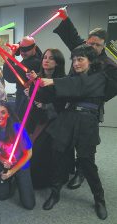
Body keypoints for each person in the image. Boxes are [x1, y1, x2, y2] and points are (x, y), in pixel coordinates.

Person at [36, 44, 108, 220]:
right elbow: (60, 95)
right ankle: (55, 192)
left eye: (80, 59)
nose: (76, 63)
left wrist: (54, 81)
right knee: (57, 156)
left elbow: (80, 86)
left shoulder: (98, 77)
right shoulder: (70, 78)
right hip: (68, 119)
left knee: (87, 162)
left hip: (87, 122)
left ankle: (99, 199)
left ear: (91, 61)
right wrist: (39, 83)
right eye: (74, 60)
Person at [54, 7, 117, 189]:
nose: (92, 47)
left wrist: (91, 94)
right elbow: (72, 36)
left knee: (86, 145)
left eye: (97, 44)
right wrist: (65, 18)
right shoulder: (82, 51)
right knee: (68, 138)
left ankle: (82, 172)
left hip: (91, 108)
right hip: (70, 106)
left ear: (104, 45)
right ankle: (71, 167)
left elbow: (108, 91)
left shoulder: (109, 65)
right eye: (90, 43)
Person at [25, 49, 66, 189]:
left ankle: (43, 182)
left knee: (42, 151)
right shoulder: (38, 78)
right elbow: (33, 97)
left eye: (51, 58)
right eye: (45, 57)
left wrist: (45, 106)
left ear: (58, 63)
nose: (46, 60)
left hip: (52, 123)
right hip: (34, 119)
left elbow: (61, 104)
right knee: (28, 148)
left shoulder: (61, 81)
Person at [0, 100, 35, 209]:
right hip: (3, 162)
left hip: (20, 163)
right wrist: (2, 161)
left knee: (29, 205)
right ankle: (11, 179)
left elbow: (28, 153)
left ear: (8, 114)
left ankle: (15, 178)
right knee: (2, 196)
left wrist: (12, 172)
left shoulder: (18, 129)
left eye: (3, 112)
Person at [3, 36, 42, 121]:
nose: (23, 53)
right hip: (29, 101)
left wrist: (13, 52)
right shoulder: (39, 56)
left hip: (27, 104)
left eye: (27, 49)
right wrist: (18, 47)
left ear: (34, 48)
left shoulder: (33, 63)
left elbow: (8, 74)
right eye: (21, 49)